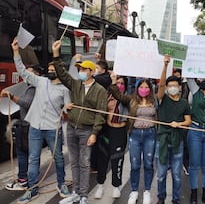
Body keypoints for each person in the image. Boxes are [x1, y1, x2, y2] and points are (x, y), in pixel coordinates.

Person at [10, 38, 71, 204]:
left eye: (53, 69)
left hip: (53, 129)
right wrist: (16, 52)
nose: (50, 71)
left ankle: (61, 184)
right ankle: (32, 189)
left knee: (58, 158)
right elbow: (23, 71)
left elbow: (66, 110)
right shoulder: (40, 81)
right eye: (49, 69)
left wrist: (68, 107)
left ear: (59, 71)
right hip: (35, 127)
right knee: (33, 158)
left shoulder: (65, 89)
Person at [52, 40, 107, 204]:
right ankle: (75, 192)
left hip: (86, 131)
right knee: (74, 163)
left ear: (91, 72)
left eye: (83, 69)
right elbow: (62, 74)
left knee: (84, 163)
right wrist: (56, 54)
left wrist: (94, 133)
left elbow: (101, 115)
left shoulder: (100, 91)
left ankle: (83, 195)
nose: (80, 72)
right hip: (72, 128)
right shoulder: (76, 85)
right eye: (79, 69)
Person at [108, 75, 157, 204]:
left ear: (150, 89)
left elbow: (162, 86)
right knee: (135, 165)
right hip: (135, 135)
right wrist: (113, 82)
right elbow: (118, 95)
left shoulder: (155, 100)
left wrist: (165, 65)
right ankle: (134, 191)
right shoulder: (131, 100)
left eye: (146, 87)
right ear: (137, 88)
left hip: (150, 135)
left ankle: (147, 190)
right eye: (141, 87)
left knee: (148, 164)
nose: (144, 89)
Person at [156, 55, 192, 204]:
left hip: (178, 142)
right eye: (169, 85)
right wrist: (165, 66)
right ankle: (161, 198)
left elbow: (188, 121)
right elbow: (161, 86)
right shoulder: (162, 98)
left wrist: (179, 124)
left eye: (174, 85)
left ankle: (176, 199)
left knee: (177, 174)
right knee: (161, 174)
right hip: (163, 140)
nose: (171, 88)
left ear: (179, 87)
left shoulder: (184, 103)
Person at [3, 65, 41, 191]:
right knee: (30, 153)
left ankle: (23, 180)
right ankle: (29, 179)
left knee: (23, 153)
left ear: (35, 75)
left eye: (28, 73)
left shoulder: (33, 88)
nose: (25, 75)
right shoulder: (36, 87)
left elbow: (27, 103)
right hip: (30, 124)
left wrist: (12, 97)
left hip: (27, 125)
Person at [94, 76, 129, 200]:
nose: (119, 85)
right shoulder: (106, 96)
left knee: (117, 160)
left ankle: (116, 186)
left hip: (119, 132)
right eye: (117, 83)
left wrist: (114, 85)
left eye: (122, 83)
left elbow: (120, 97)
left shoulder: (127, 98)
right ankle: (100, 185)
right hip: (106, 131)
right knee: (102, 159)